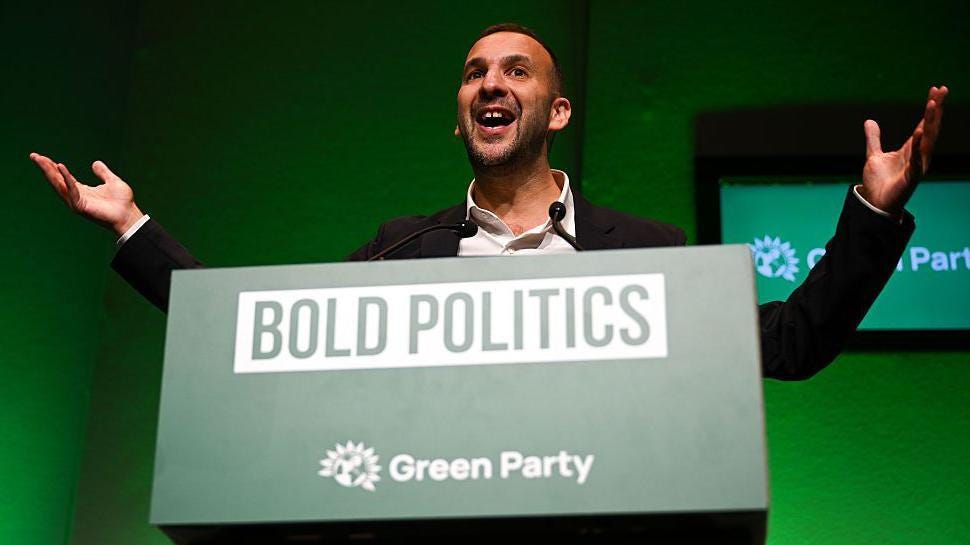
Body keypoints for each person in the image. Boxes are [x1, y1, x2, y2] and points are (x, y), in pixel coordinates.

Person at [30, 24, 948, 380]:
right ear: (462, 114)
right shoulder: (401, 251)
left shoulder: (648, 249)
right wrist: (133, 229)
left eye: (515, 70)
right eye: (474, 73)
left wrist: (868, 214)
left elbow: (788, 346)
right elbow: (260, 332)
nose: (489, 83)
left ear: (558, 108)